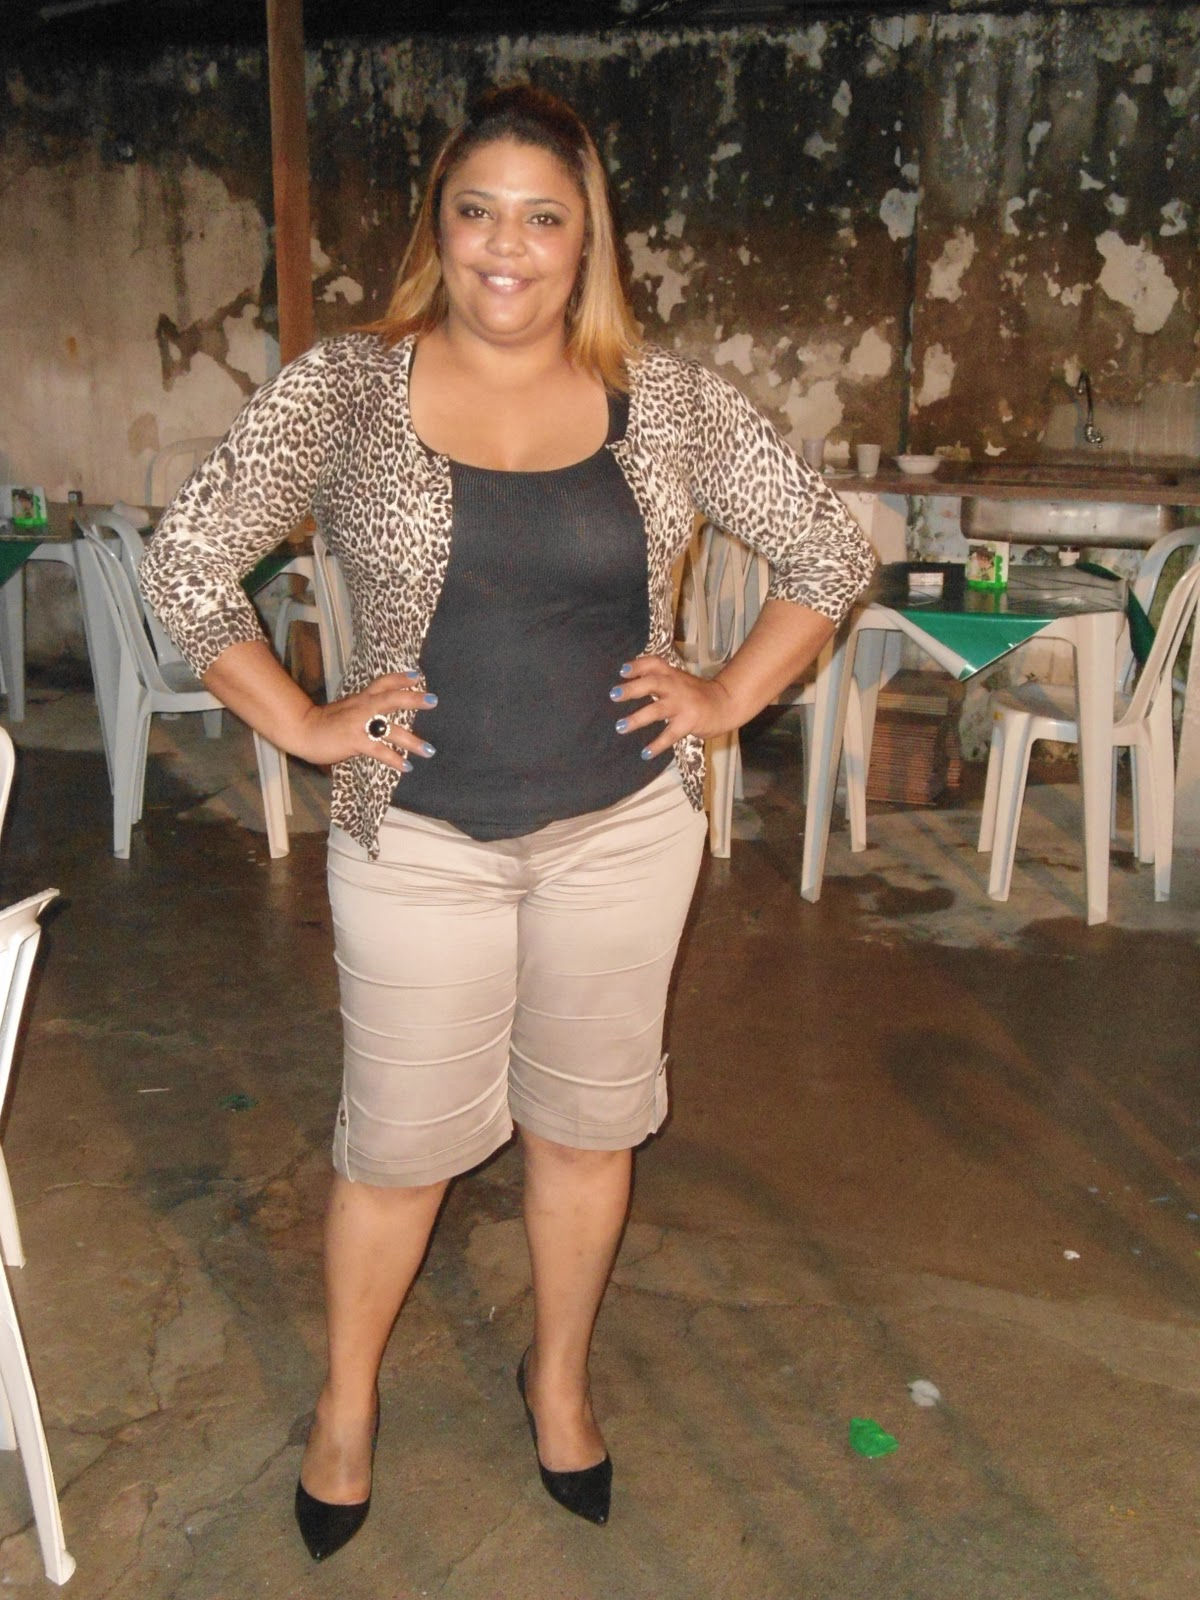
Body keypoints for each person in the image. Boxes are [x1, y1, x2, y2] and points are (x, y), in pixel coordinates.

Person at [140, 82, 876, 1561]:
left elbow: (827, 544)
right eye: (478, 211)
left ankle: (559, 1382)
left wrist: (729, 692)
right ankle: (347, 1405)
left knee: (587, 1133)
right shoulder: (351, 387)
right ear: (440, 225)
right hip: (420, 836)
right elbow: (185, 561)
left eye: (544, 218)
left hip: (622, 832)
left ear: (587, 239)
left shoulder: (662, 397)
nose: (506, 247)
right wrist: (301, 720)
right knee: (399, 1150)